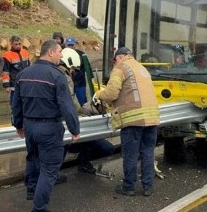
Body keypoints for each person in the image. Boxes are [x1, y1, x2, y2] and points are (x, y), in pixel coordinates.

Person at [12, 40, 80, 212]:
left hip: (29, 127)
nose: (61, 55)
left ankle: (32, 190)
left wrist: (18, 125)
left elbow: (16, 104)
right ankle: (40, 208)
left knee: (33, 159)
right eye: (59, 52)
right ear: (50, 52)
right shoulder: (57, 76)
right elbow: (67, 106)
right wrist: (75, 129)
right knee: (49, 170)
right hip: (49, 128)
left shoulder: (23, 74)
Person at [93, 47, 160, 197]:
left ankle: (128, 186)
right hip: (152, 118)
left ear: (120, 57)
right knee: (147, 152)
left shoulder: (121, 68)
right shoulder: (141, 68)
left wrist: (99, 94)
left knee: (130, 154)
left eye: (115, 59)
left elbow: (111, 93)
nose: (114, 62)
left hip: (133, 119)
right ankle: (147, 186)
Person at [59, 48, 114, 174]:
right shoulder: (63, 77)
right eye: (73, 68)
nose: (73, 72)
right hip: (61, 122)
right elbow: (70, 104)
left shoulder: (52, 73)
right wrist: (82, 113)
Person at [1, 36, 30, 104]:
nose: (18, 46)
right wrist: (6, 85)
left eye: (19, 44)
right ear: (11, 44)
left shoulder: (25, 52)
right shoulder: (7, 55)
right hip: (14, 85)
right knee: (15, 104)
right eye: (16, 44)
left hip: (26, 83)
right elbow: (5, 72)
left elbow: (29, 68)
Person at [65, 37, 89, 105]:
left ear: (75, 45)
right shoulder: (62, 55)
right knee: (68, 102)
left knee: (83, 102)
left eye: (72, 45)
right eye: (69, 45)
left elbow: (87, 67)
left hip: (80, 83)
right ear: (66, 45)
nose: (70, 47)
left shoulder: (81, 54)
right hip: (68, 84)